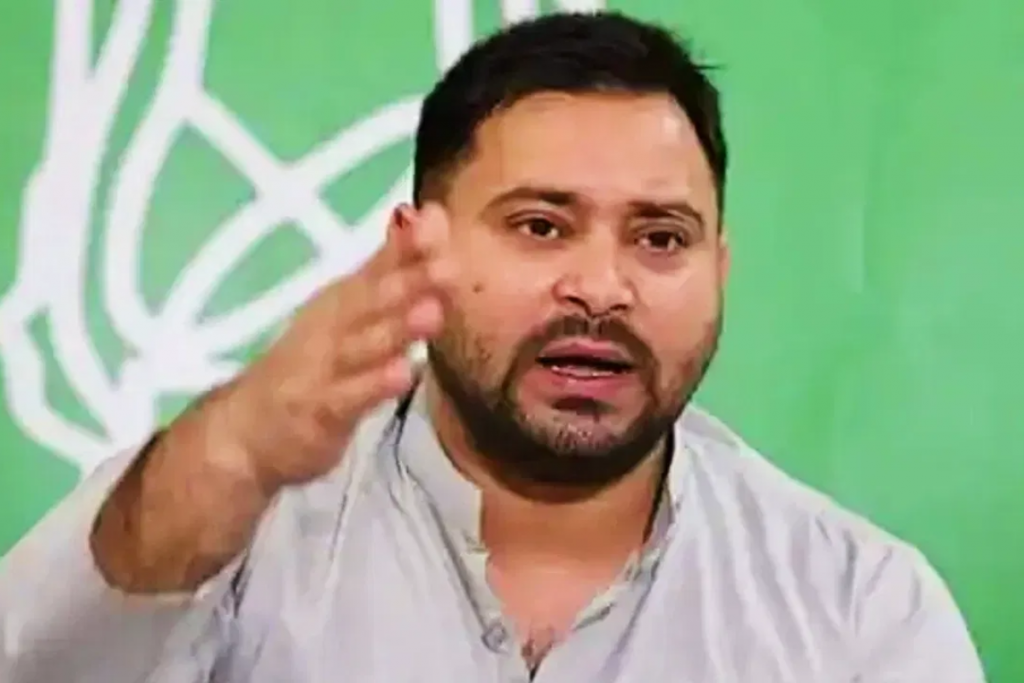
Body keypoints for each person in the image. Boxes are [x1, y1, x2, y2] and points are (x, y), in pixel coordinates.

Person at [0, 10, 985, 683]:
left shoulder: (860, 609)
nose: (602, 286)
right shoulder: (232, 528)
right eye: (541, 225)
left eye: (659, 238)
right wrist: (230, 449)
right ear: (415, 245)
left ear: (718, 267)